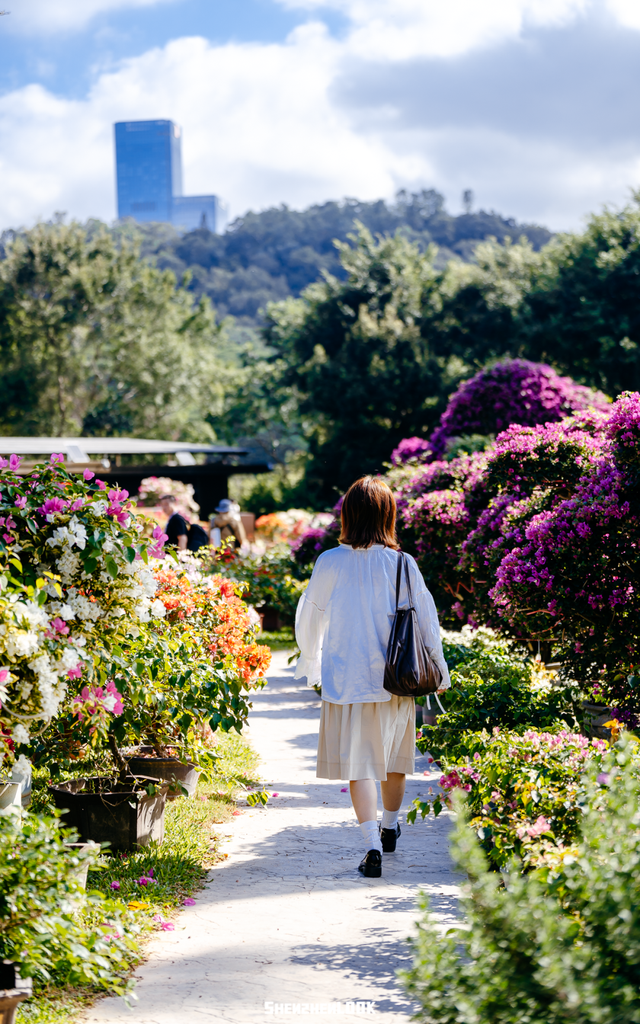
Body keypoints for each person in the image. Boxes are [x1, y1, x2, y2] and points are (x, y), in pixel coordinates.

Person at [294, 476, 450, 878]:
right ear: (388, 515)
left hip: (348, 681)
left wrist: (310, 660)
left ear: (348, 515)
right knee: (394, 761)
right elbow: (427, 620)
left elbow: (310, 615)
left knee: (359, 766)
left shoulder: (330, 561)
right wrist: (440, 669)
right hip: (397, 678)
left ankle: (371, 847)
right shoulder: (403, 563)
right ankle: (390, 826)